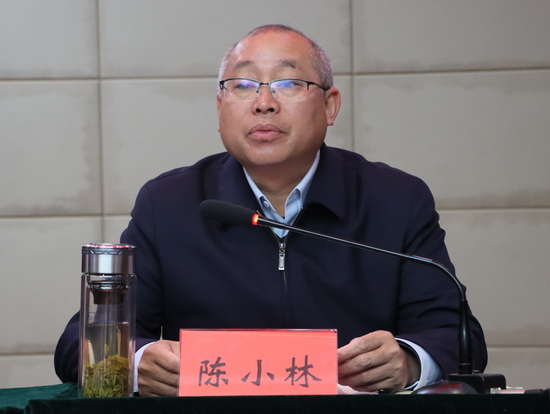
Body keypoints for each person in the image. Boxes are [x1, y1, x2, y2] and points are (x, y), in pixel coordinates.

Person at [55, 24, 487, 396]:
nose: (264, 102)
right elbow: (79, 343)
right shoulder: (168, 203)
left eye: (287, 83)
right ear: (220, 108)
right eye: (242, 85)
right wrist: (138, 361)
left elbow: (457, 336)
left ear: (330, 105)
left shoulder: (396, 199)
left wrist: (409, 361)